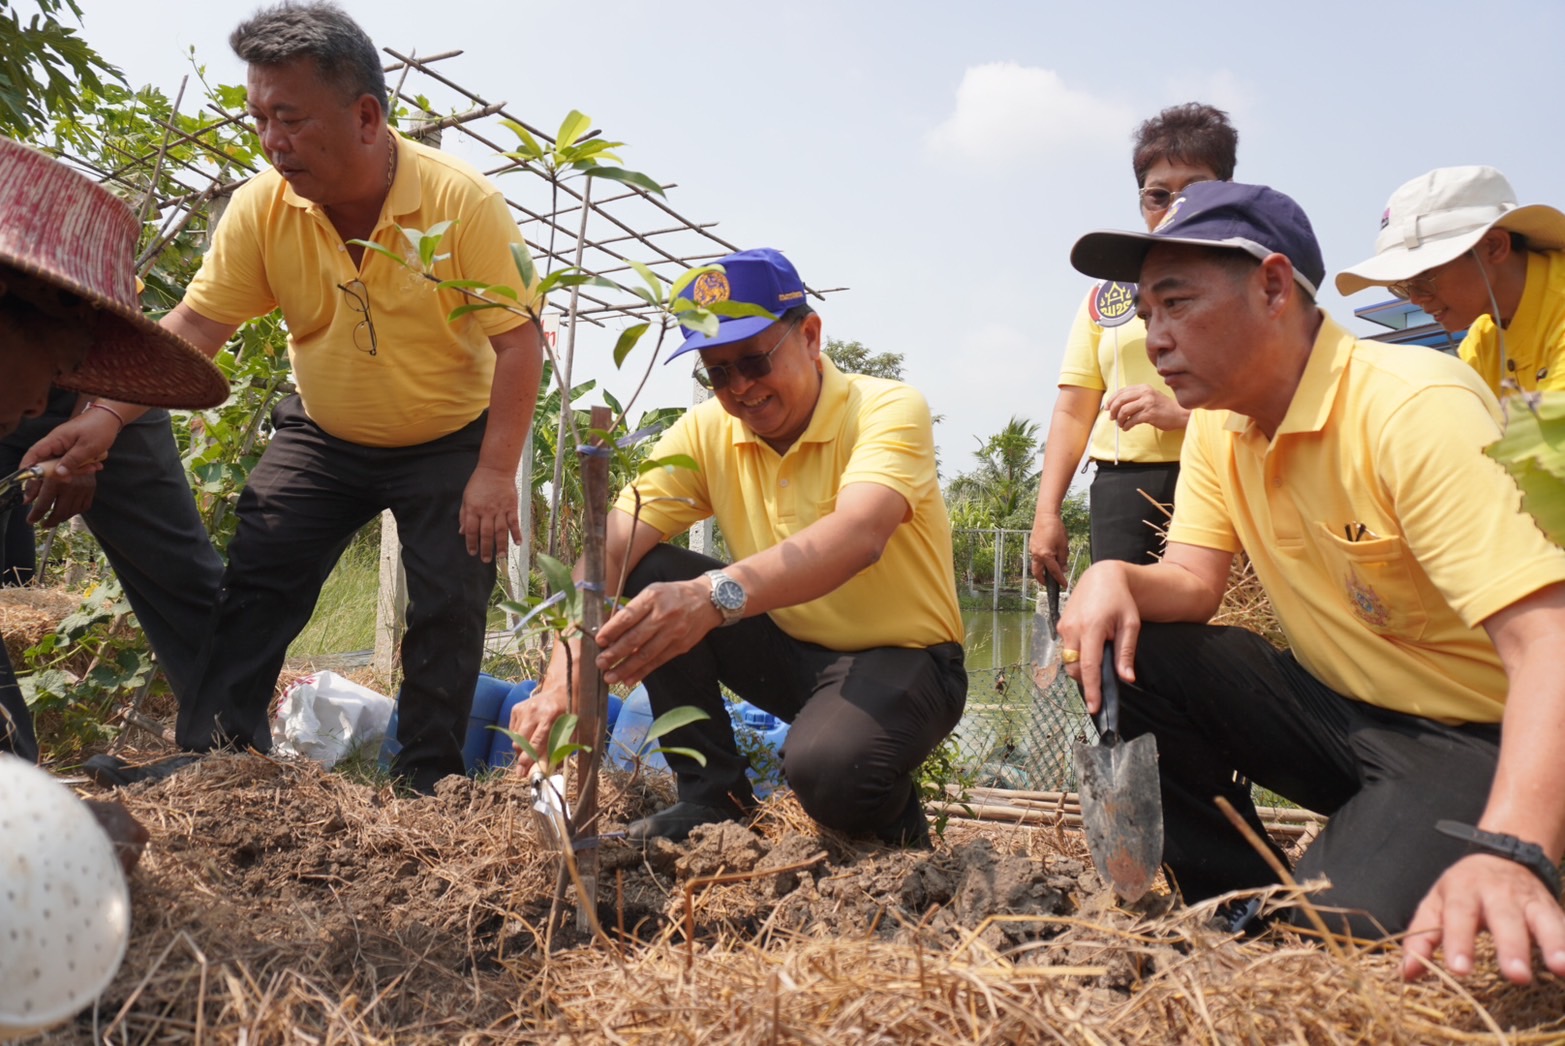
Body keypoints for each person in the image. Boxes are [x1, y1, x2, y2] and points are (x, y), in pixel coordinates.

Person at [23, 1, 544, 794]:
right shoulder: (264, 205)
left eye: (290, 118)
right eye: (259, 117)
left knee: (448, 605)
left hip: (447, 439)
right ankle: (218, 761)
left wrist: (494, 471)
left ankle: (425, 784)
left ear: (365, 116)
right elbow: (199, 321)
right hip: (325, 434)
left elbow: (518, 339)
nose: (272, 140)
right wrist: (102, 419)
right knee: (257, 578)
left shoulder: (460, 203)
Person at [1060, 181, 1565, 986]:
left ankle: (1498, 852)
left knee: (1337, 941)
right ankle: (1232, 912)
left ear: (1270, 286)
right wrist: (1111, 576)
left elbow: (1549, 642)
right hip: (1338, 715)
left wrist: (1512, 847)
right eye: (1146, 314)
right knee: (1138, 646)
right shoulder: (1220, 424)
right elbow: (1190, 582)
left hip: (1473, 736)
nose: (1154, 338)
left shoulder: (1411, 408)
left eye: (1176, 304)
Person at [508, 247, 967, 847]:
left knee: (831, 769)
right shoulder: (707, 432)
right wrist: (563, 671)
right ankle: (711, 799)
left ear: (809, 334)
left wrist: (711, 595)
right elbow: (610, 545)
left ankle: (898, 837)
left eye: (754, 361)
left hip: (905, 659)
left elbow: (859, 534)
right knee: (648, 572)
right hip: (787, 647)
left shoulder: (885, 409)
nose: (741, 389)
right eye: (718, 373)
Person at [0, 135, 229, 762]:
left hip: (101, 408)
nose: (39, 402)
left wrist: (95, 428)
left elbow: (85, 361)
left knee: (181, 571)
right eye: (59, 369)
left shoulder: (72, 336)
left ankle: (235, 754)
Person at [1029, 103, 1238, 587]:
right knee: (1125, 640)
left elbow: (1284, 402)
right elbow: (1073, 409)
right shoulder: (1107, 297)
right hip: (1122, 489)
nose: (1175, 207)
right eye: (1159, 195)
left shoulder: (1257, 286)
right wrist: (1047, 513)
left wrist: (1186, 418)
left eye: (1196, 190)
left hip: (1224, 473)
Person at [1336, 166, 1565, 396]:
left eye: (1424, 278)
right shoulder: (1482, 342)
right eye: (1404, 286)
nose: (1415, 298)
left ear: (1494, 247)